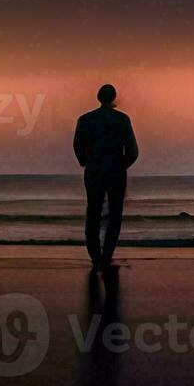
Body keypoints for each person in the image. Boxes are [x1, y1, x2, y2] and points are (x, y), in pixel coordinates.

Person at [72, 84, 139, 268]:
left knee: (93, 212)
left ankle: (95, 255)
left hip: (94, 170)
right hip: (116, 171)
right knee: (115, 214)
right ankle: (106, 253)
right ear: (114, 97)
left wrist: (85, 161)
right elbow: (133, 151)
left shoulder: (85, 120)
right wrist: (121, 165)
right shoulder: (122, 119)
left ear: (98, 97)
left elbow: (77, 145)